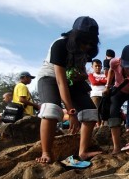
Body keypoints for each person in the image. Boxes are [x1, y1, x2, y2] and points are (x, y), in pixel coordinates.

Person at [36, 16, 101, 163]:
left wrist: (82, 75)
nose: (87, 46)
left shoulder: (88, 49)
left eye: (90, 43)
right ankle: (46, 152)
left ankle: (83, 152)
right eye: (84, 42)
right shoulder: (60, 45)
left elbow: (82, 71)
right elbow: (60, 81)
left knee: (91, 113)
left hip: (72, 80)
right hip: (51, 77)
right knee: (51, 110)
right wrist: (71, 111)